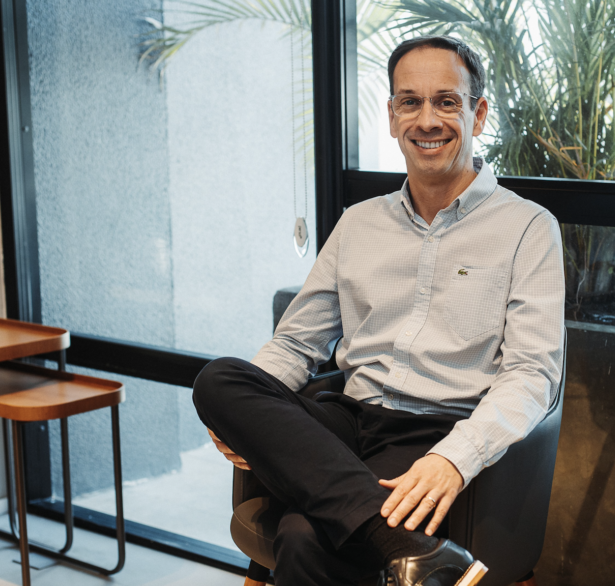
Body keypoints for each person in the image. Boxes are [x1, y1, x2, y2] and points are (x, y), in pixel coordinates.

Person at [193, 35, 564, 586]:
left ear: (478, 113)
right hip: (347, 419)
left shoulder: (528, 228)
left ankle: (389, 538)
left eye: (446, 101)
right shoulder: (358, 223)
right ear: (392, 117)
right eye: (410, 102)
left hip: (434, 430)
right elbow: (297, 343)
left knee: (302, 535)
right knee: (220, 381)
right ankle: (408, 548)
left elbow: (532, 374)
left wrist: (453, 458)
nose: (427, 120)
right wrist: (240, 417)